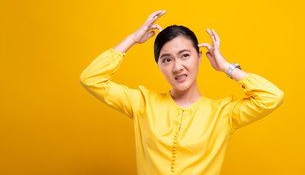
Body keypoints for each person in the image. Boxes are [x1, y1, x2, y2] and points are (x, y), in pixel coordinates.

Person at [79, 10, 284, 175]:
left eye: (185, 55)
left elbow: (272, 97)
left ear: (199, 57)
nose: (177, 67)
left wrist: (227, 67)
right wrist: (132, 39)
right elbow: (91, 78)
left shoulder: (223, 114)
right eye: (167, 59)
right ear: (159, 65)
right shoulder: (142, 103)